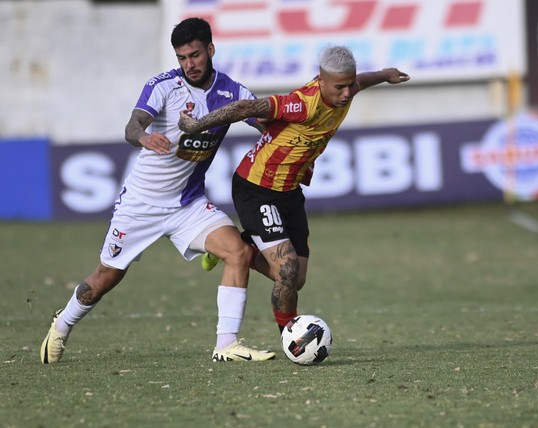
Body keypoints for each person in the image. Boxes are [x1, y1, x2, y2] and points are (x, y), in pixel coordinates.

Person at [40, 17, 275, 364]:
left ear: (210, 50)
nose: (189, 64)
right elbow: (132, 125)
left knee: (238, 253)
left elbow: (266, 124)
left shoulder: (233, 92)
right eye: (182, 58)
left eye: (194, 55)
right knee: (104, 279)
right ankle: (61, 325)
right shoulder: (163, 86)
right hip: (141, 205)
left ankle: (226, 344)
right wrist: (144, 137)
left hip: (188, 204)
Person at [179, 45, 410, 333]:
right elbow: (244, 108)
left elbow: (362, 80)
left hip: (289, 192)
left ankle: (242, 248)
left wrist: (386, 74)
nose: (347, 93)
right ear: (321, 81)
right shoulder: (302, 103)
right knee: (286, 271)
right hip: (256, 187)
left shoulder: (345, 90)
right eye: (340, 87)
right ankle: (292, 337)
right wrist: (197, 124)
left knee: (296, 279)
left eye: (350, 85)